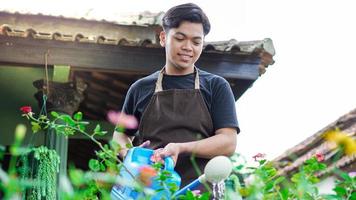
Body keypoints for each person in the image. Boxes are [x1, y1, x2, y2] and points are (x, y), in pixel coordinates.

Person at [113, 3, 239, 187]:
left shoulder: (216, 86)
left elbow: (228, 142)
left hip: (199, 191)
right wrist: (131, 155)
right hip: (148, 190)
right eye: (180, 38)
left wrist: (181, 148)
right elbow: (120, 135)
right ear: (163, 38)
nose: (188, 47)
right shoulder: (140, 88)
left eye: (196, 42)